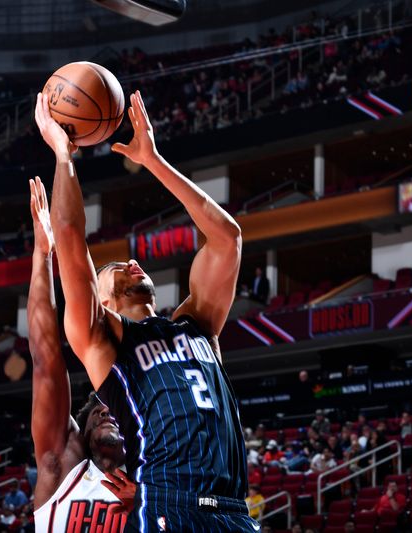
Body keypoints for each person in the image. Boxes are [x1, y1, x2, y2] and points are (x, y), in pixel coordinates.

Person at [36, 89, 257, 531]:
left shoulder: (198, 326)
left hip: (234, 513)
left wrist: (152, 160)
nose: (132, 263)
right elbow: (70, 236)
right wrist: (64, 156)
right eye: (115, 267)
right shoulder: (103, 341)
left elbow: (227, 238)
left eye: (132, 262)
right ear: (99, 302)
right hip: (168, 510)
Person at [26, 177, 134, 531]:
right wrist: (43, 256)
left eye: (113, 408)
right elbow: (45, 358)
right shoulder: (63, 468)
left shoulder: (157, 485)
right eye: (99, 412)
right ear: (81, 435)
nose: (107, 413)